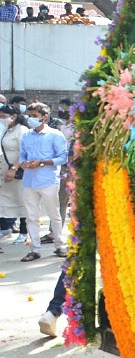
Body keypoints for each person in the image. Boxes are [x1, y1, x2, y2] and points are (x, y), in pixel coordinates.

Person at [18, 102, 68, 261]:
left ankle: (59, 245)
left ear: (44, 118)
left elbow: (62, 157)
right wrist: (23, 163)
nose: (30, 119)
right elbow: (22, 155)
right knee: (31, 217)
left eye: (34, 116)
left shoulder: (55, 135)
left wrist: (41, 162)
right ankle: (35, 248)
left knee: (54, 215)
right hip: (29, 181)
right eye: (29, 116)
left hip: (48, 180)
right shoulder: (26, 135)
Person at [0, 104, 30, 249]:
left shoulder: (22, 130)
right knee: (6, 201)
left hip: (18, 172)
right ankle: (6, 227)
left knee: (22, 201)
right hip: (5, 170)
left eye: (4, 116)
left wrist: (13, 168)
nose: (2, 119)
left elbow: (24, 153)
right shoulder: (7, 129)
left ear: (14, 116)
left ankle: (24, 232)